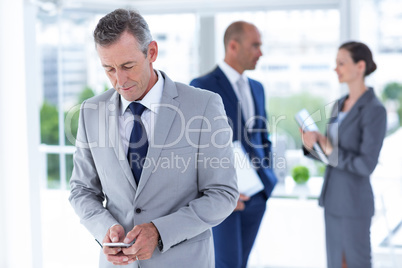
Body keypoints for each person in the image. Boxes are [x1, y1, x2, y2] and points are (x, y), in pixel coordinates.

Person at [69, 8, 239, 268]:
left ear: (152, 53)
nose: (119, 80)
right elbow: (82, 190)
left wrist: (160, 232)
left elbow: (222, 194)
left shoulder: (203, 105)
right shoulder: (91, 112)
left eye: (127, 66)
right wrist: (106, 229)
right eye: (109, 69)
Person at [190, 21, 277, 268]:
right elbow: (194, 147)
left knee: (241, 263)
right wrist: (214, 192)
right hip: (223, 198)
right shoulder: (202, 85)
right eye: (255, 45)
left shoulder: (257, 88)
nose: (260, 52)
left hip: (257, 195)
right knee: (226, 264)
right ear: (233, 46)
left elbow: (262, 136)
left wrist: (266, 177)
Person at [301, 41, 387, 268]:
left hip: (354, 203)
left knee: (356, 263)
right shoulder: (339, 105)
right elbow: (331, 157)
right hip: (332, 199)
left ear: (360, 66)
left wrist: (329, 148)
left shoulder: (374, 110)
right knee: (335, 263)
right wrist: (314, 143)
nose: (335, 68)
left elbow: (365, 165)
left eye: (341, 63)